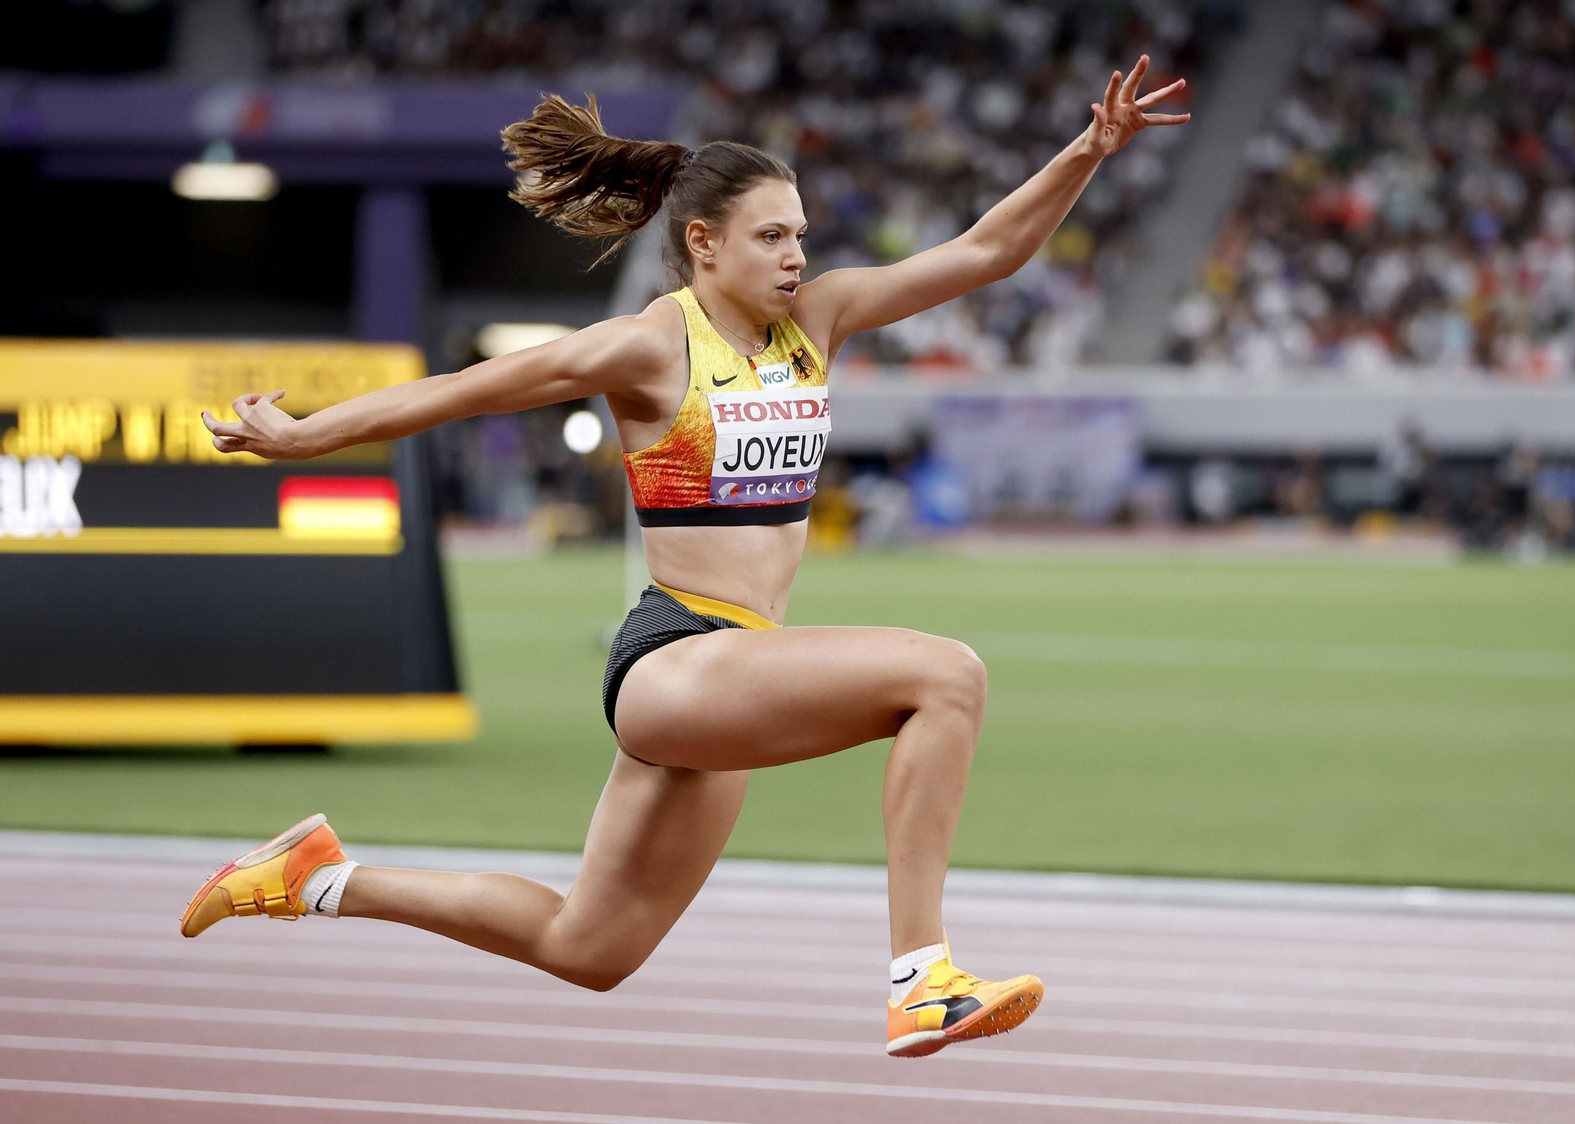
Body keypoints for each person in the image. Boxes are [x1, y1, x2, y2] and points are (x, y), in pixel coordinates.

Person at [183, 56, 1189, 1059]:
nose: (796, 256)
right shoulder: (651, 345)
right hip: (675, 659)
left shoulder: (819, 320)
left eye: (800, 234)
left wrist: (1088, 149)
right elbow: (467, 389)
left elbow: (988, 251)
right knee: (946, 675)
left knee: (588, 947)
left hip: (735, 673)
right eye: (772, 236)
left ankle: (315, 877)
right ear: (703, 243)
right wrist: (307, 435)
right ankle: (921, 978)